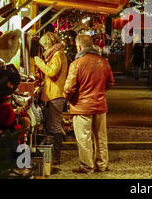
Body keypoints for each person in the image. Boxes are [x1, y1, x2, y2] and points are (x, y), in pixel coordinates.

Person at [64, 34, 115, 174]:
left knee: (84, 138)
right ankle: (102, 164)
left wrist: (68, 98)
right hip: (100, 105)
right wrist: (100, 92)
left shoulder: (76, 64)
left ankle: (87, 166)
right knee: (101, 137)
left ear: (79, 46)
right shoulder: (103, 62)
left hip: (81, 107)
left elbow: (69, 88)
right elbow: (111, 83)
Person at [34, 32, 68, 165]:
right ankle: (52, 155)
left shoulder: (58, 55)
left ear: (48, 44)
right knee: (51, 126)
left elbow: (51, 72)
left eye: (44, 46)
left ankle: (56, 156)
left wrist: (39, 62)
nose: (43, 49)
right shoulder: (57, 54)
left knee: (54, 126)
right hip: (53, 94)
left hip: (55, 95)